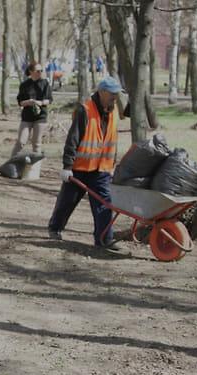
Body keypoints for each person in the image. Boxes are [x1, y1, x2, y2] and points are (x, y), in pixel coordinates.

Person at [48, 77, 123, 250]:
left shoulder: (113, 112)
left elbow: (112, 140)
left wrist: (112, 164)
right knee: (67, 202)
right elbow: (72, 139)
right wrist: (67, 166)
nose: (115, 97)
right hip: (80, 168)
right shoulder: (85, 110)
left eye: (116, 94)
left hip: (101, 169)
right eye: (112, 94)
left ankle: (104, 239)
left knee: (104, 204)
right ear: (102, 92)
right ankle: (55, 228)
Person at [11, 61, 53, 157]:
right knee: (21, 141)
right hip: (27, 116)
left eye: (41, 70)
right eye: (38, 71)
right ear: (31, 71)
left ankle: (36, 164)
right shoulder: (24, 85)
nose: (40, 73)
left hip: (40, 116)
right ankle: (12, 162)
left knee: (36, 143)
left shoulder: (45, 83)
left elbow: (49, 100)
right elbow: (20, 102)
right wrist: (28, 102)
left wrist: (40, 102)